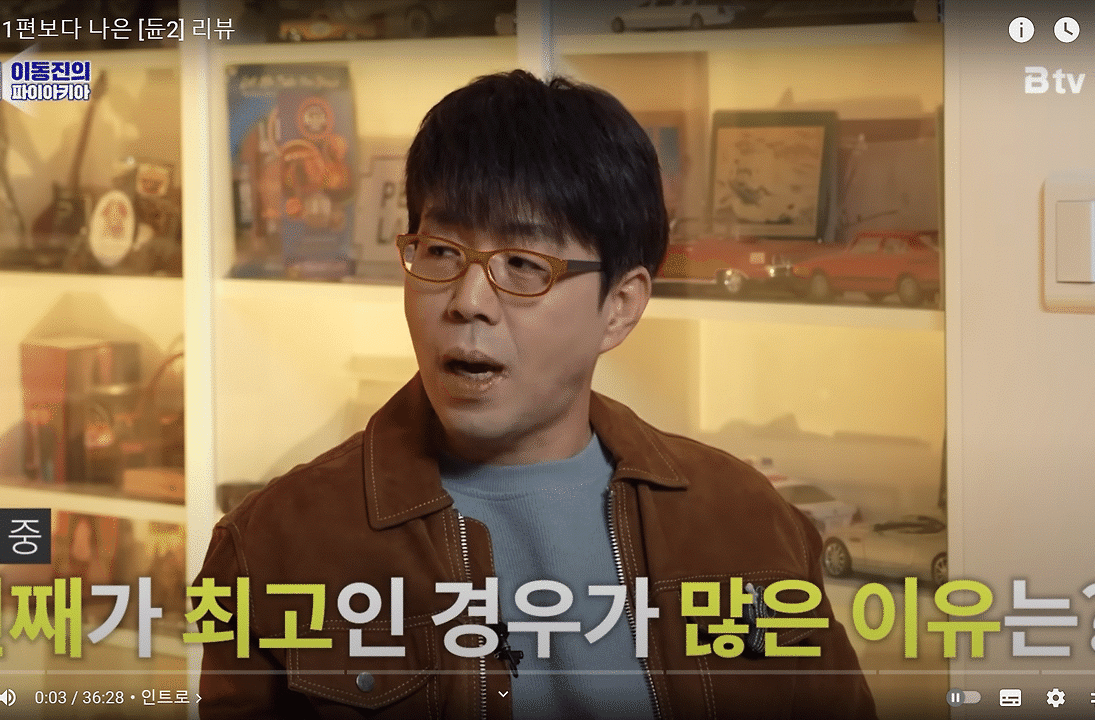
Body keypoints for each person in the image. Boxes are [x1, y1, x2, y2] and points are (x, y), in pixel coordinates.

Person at [194, 69, 877, 720]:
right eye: (439, 252)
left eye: (522, 264)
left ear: (620, 306)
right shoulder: (274, 546)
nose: (467, 300)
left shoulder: (750, 523)